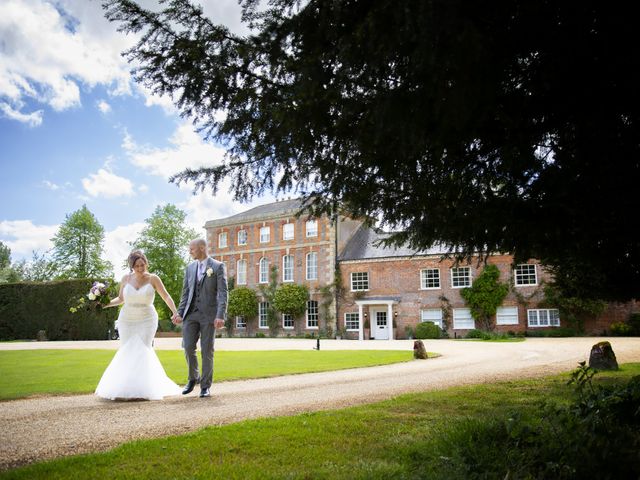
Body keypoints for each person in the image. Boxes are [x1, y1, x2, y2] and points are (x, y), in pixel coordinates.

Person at [95, 250, 183, 400]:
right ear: (132, 266)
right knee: (128, 349)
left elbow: (166, 296)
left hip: (147, 319)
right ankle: (126, 388)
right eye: (137, 266)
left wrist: (175, 312)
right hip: (127, 319)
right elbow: (121, 299)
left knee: (143, 348)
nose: (141, 268)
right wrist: (105, 304)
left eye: (143, 265)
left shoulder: (153, 279)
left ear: (146, 264)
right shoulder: (125, 279)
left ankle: (146, 389)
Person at [172, 238, 228, 398]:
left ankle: (205, 386)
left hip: (209, 315)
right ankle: (193, 378)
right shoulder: (189, 268)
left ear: (202, 248)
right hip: (191, 314)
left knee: (207, 351)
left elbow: (223, 292)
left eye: (192, 249)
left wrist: (220, 315)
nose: (189, 251)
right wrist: (180, 313)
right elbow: (185, 293)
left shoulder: (217, 266)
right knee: (188, 347)